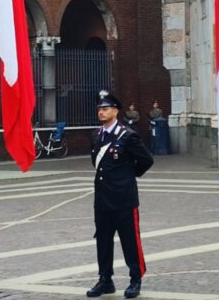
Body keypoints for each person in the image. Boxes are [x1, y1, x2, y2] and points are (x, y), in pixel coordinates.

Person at [87, 92, 154, 299]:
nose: (101, 112)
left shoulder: (128, 136)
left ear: (115, 111)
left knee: (130, 240)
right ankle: (105, 280)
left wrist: (128, 176)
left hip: (124, 199)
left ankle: (135, 279)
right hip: (103, 198)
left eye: (105, 109)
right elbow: (96, 162)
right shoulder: (96, 135)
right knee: (103, 241)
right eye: (99, 109)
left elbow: (146, 160)